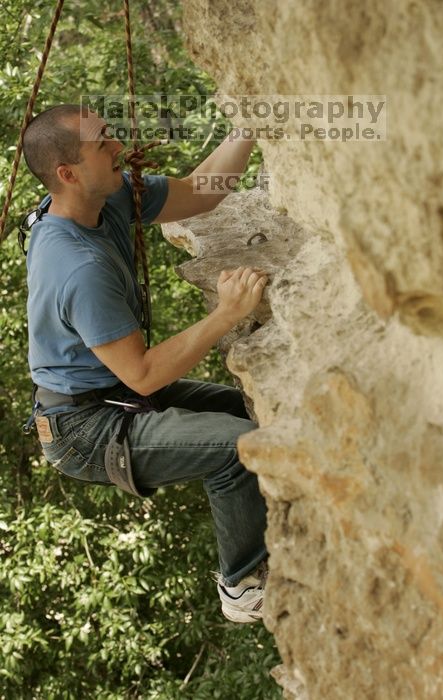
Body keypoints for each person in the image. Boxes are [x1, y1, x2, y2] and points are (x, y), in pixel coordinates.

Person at [22, 104, 268, 623]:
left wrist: (252, 120)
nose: (118, 148)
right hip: (83, 426)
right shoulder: (76, 267)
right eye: (102, 145)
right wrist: (227, 314)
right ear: (68, 173)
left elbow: (203, 191)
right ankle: (241, 585)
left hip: (110, 393)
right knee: (240, 445)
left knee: (256, 411)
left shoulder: (104, 200)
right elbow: (145, 374)